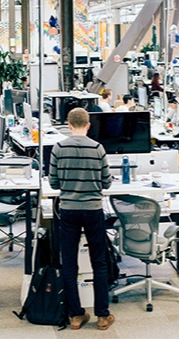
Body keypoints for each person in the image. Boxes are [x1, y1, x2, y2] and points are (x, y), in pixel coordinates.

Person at [50, 108, 113, 331]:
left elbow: (53, 184)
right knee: (99, 262)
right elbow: (107, 183)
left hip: (68, 210)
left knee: (69, 263)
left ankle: (76, 316)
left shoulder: (58, 147)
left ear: (68, 125)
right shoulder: (98, 148)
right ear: (88, 125)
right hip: (93, 210)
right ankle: (103, 316)